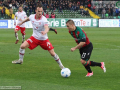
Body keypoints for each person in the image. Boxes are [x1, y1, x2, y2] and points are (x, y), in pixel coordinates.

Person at [12, 3, 64, 70]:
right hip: (34, 38)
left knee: (52, 53)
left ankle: (61, 65)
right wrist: (22, 22)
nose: (40, 13)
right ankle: (20, 60)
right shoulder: (31, 16)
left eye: (41, 11)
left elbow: (46, 27)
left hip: (44, 39)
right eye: (39, 11)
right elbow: (28, 19)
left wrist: (45, 31)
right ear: (36, 11)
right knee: (22, 46)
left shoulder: (44, 19)